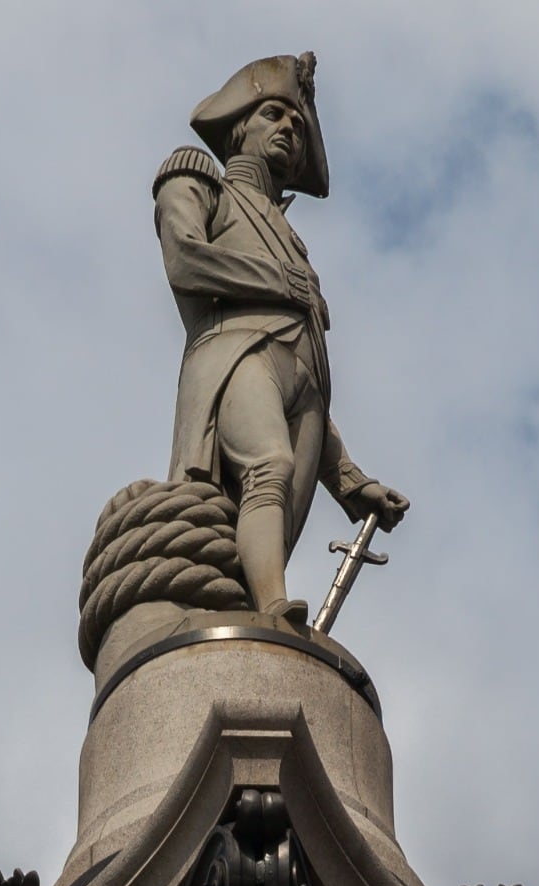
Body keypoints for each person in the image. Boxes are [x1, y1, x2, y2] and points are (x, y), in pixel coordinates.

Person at [154, 52, 409, 624]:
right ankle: (273, 608)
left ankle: (254, 613)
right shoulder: (198, 178)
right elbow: (185, 260)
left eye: (298, 125)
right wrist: (280, 281)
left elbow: (298, 350)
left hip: (306, 387)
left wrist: (351, 482)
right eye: (274, 114)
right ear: (241, 124)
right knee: (268, 465)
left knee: (273, 520)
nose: (288, 130)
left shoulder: (291, 238)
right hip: (235, 352)